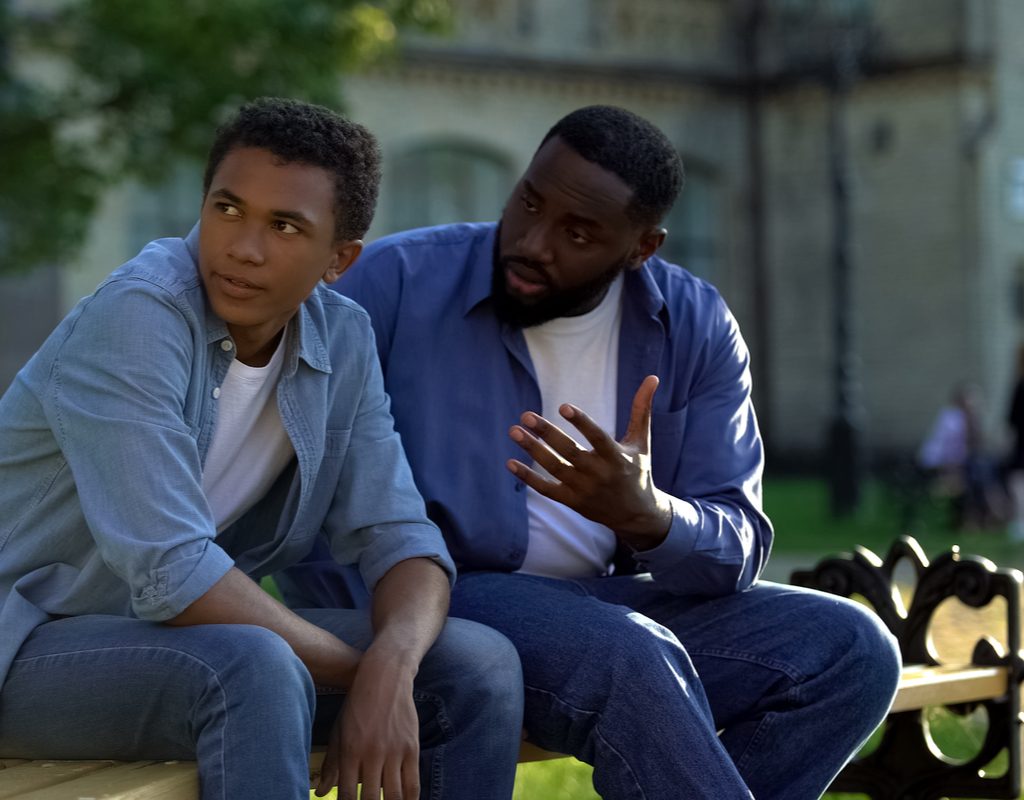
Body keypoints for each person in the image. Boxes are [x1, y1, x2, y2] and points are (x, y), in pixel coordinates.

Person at [278, 104, 903, 799]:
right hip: (441, 601)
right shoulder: (394, 286)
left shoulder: (693, 325)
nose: (534, 242)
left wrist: (650, 516)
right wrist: (373, 643)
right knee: (628, 653)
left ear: (642, 249)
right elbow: (305, 483)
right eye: (529, 202)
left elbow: (739, 542)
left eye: (577, 233)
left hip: (609, 604)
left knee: (852, 650)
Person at [0, 98, 524, 800]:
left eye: (284, 226)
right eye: (227, 209)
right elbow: (174, 570)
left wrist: (394, 664)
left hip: (161, 645)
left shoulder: (342, 338)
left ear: (340, 259)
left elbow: (399, 534)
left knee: (474, 665)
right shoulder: (137, 317)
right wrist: (360, 673)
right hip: (22, 644)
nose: (243, 248)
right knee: (254, 666)